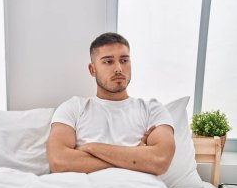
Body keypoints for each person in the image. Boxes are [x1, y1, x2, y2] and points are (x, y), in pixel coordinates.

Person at [47, 32, 175, 176]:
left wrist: (91, 148)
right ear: (92, 69)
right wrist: (136, 158)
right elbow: (58, 162)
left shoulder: (152, 110)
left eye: (124, 60)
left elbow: (159, 161)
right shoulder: (73, 108)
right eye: (108, 61)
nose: (119, 68)